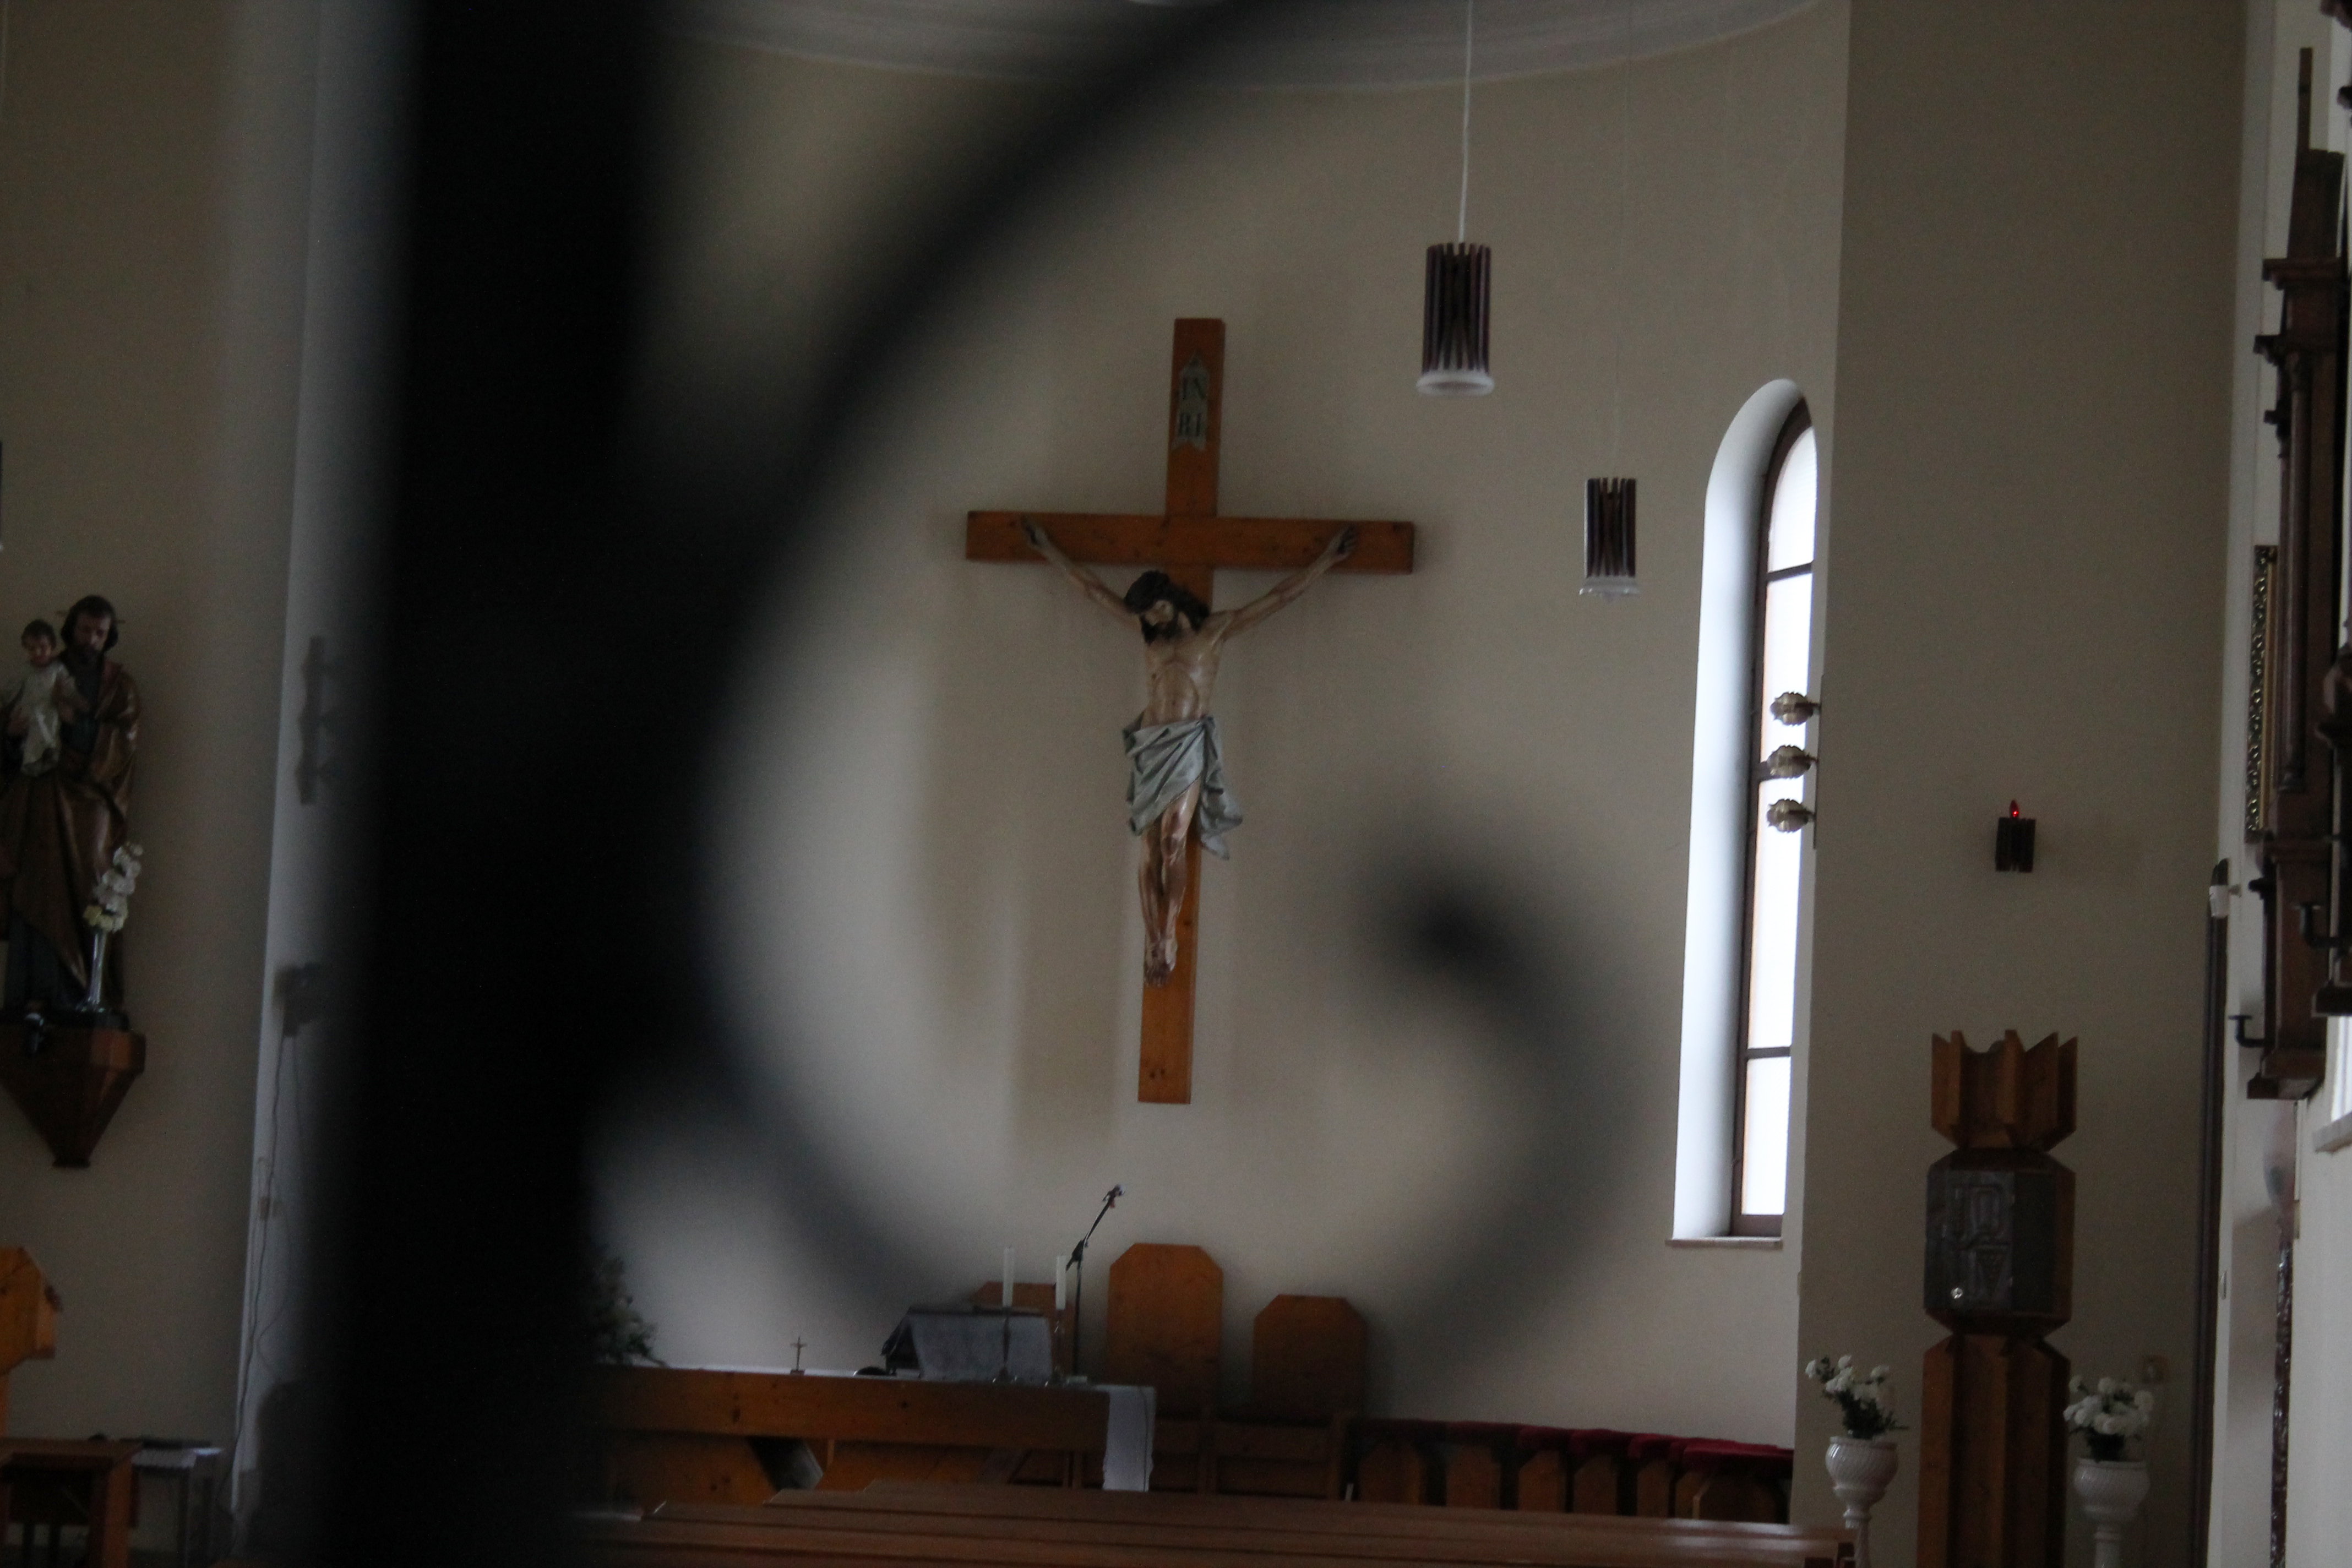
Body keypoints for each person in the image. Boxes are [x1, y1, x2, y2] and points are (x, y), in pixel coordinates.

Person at [1021, 518, 1353, 985]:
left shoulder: (1213, 632)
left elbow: (1280, 597)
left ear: (1172, 600)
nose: (1153, 622)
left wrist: (1327, 560)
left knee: (1172, 840)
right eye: (1147, 616)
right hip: (1150, 744)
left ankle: (1169, 932)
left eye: (1158, 611)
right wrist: (1048, 550)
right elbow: (1094, 592)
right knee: (1148, 846)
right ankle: (1153, 937)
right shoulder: (1148, 634)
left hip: (1186, 745)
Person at [0, 596, 140, 1013]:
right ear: (70, 629)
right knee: (36, 883)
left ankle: (84, 991)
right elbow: (9, 729)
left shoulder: (119, 687)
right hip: (40, 794)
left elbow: (123, 747)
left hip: (90, 802)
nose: (91, 640)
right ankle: (32, 993)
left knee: (91, 880)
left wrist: (78, 724)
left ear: (109, 636)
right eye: (84, 630)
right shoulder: (40, 674)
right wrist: (11, 735)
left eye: (100, 633)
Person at [2, 619, 84, 777]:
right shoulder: (25, 670)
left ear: (52, 646)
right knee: (30, 739)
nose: (38, 653)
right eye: (32, 648)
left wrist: (76, 700)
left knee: (49, 735)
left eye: (43, 647)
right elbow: (10, 691)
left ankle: (48, 759)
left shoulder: (58, 669)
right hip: (28, 712)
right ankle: (31, 763)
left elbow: (68, 687)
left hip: (49, 711)